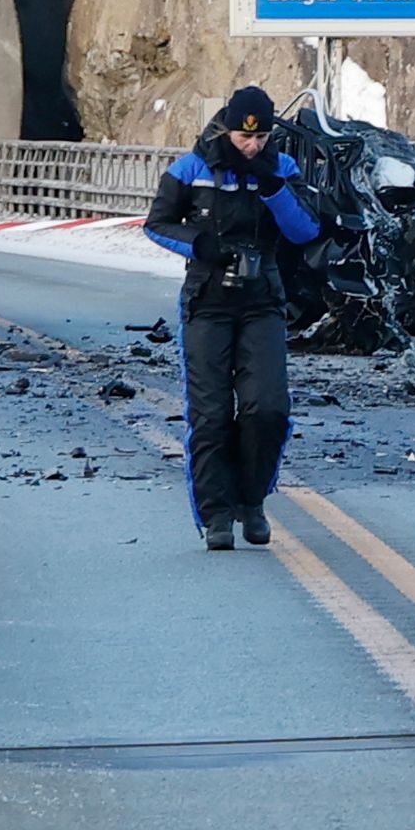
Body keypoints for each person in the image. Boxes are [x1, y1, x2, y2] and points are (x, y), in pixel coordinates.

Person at [143, 88, 323, 550]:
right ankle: (217, 514)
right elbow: (157, 223)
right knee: (211, 415)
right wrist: (200, 244)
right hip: (207, 301)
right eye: (245, 138)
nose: (253, 146)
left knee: (268, 408)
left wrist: (273, 188)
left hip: (263, 300)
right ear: (227, 128)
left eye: (261, 136)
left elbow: (305, 230)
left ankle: (252, 500)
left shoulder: (280, 168)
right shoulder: (192, 167)